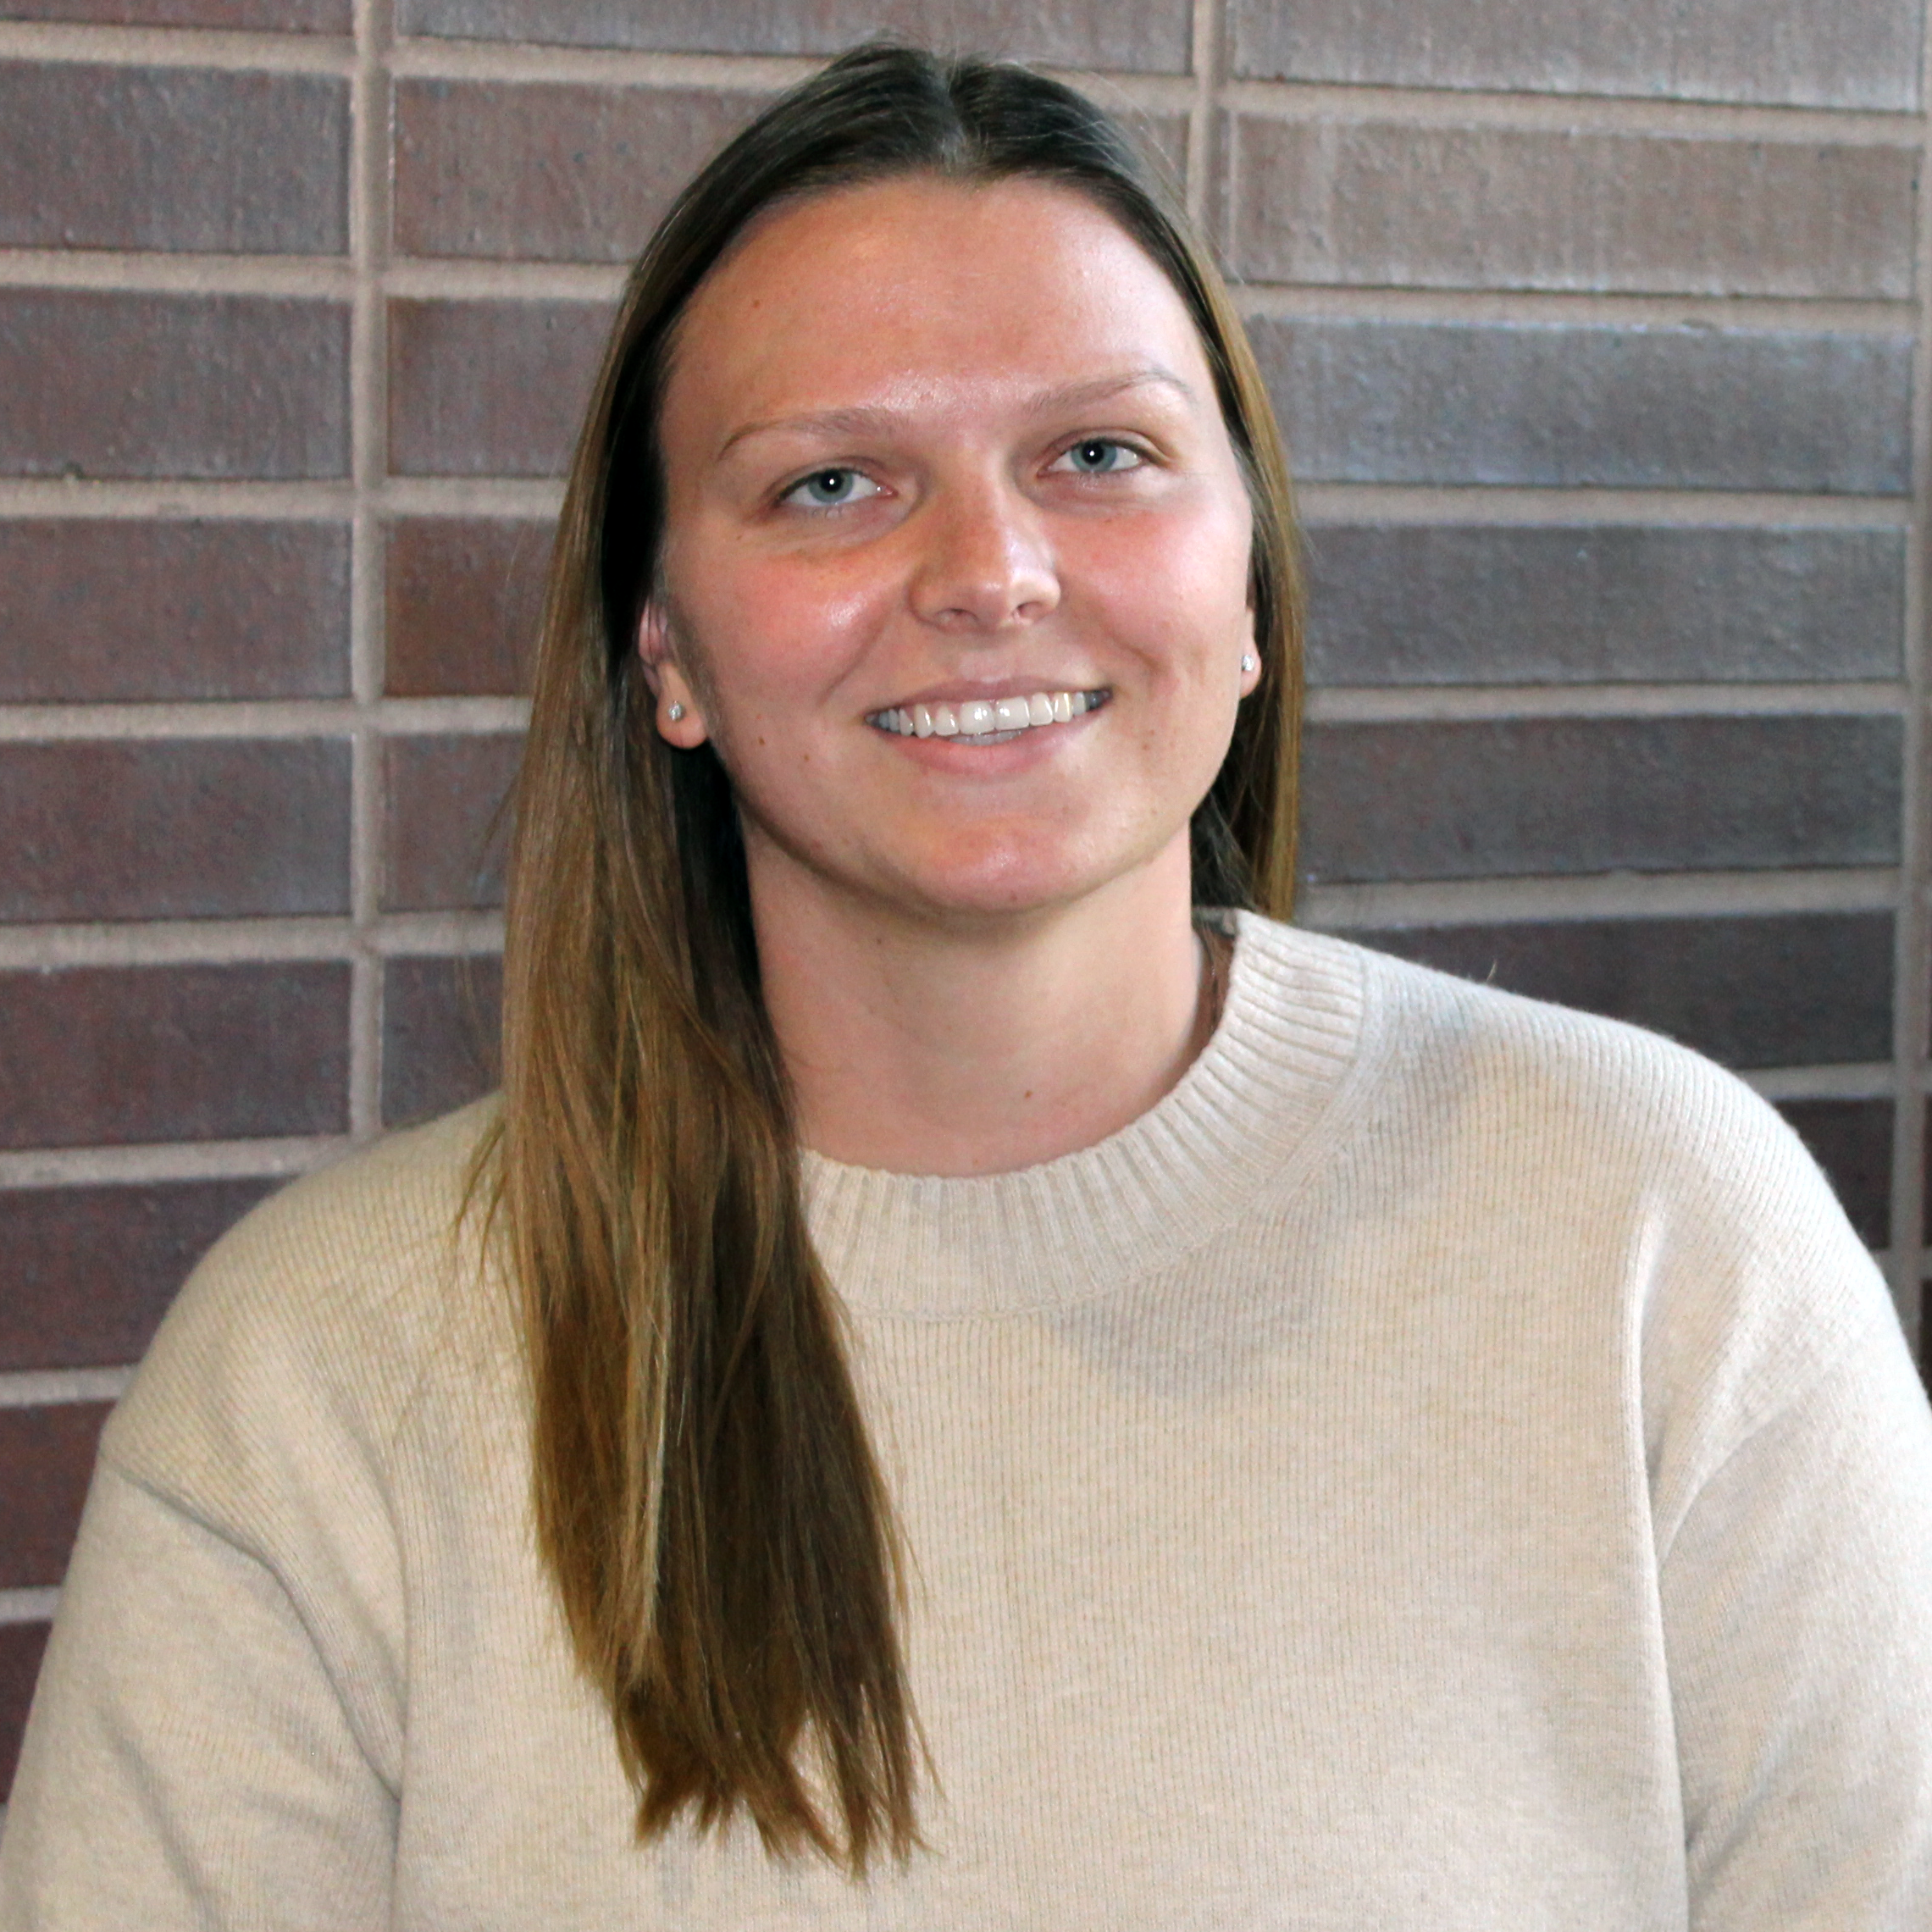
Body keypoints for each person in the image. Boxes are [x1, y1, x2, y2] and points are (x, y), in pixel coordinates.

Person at [4, 42, 1931, 1931]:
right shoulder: (327, 1377)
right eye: (836, 482)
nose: (991, 569)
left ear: (1244, 589)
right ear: (664, 653)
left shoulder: (1659, 1238)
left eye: (1101, 454)